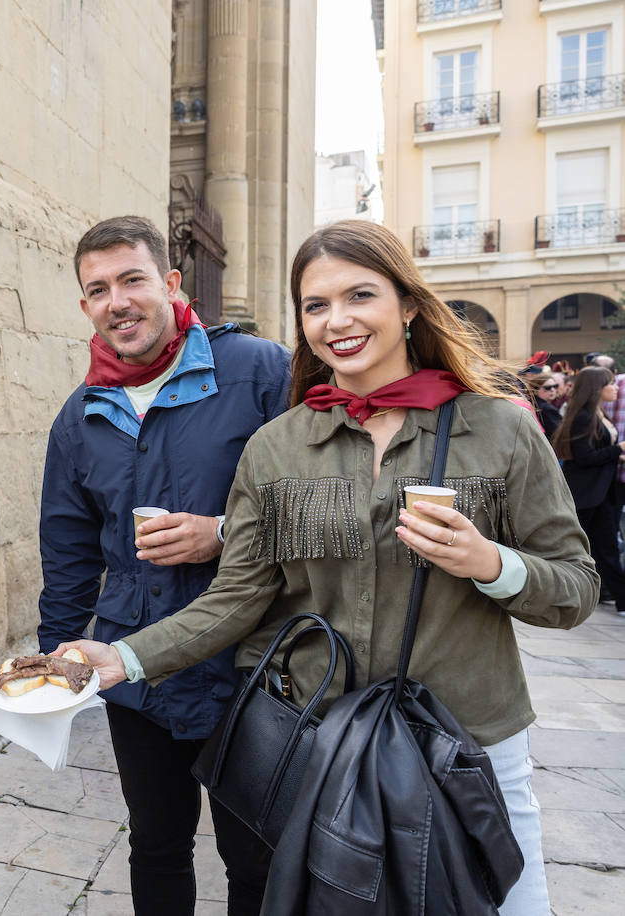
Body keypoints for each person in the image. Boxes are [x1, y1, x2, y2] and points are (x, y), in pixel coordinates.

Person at [59, 220, 598, 915]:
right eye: (316, 305)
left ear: (407, 305)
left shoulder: (499, 429)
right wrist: (122, 659)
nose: (336, 321)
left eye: (359, 296)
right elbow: (238, 598)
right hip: (327, 752)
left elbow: (576, 589)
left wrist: (489, 562)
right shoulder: (278, 448)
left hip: (469, 749)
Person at [38, 216, 289, 914]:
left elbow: (324, 499)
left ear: (171, 285)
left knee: (255, 853)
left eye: (132, 279)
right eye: (97, 289)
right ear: (85, 306)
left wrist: (223, 531)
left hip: (250, 662)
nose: (117, 300)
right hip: (133, 664)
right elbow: (66, 551)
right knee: (154, 840)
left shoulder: (260, 371)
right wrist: (48, 667)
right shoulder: (80, 414)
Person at [552, 365, 625, 613]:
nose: (615, 388)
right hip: (588, 492)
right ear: (597, 388)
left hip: (601, 491)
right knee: (593, 548)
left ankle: (607, 594)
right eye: (610, 384)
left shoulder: (597, 413)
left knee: (602, 547)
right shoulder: (584, 416)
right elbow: (583, 458)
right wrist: (619, 450)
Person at [522, 365, 563, 439]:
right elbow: (559, 433)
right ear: (535, 391)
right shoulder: (547, 409)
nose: (552, 390)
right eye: (548, 388)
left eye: (555, 386)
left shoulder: (532, 403)